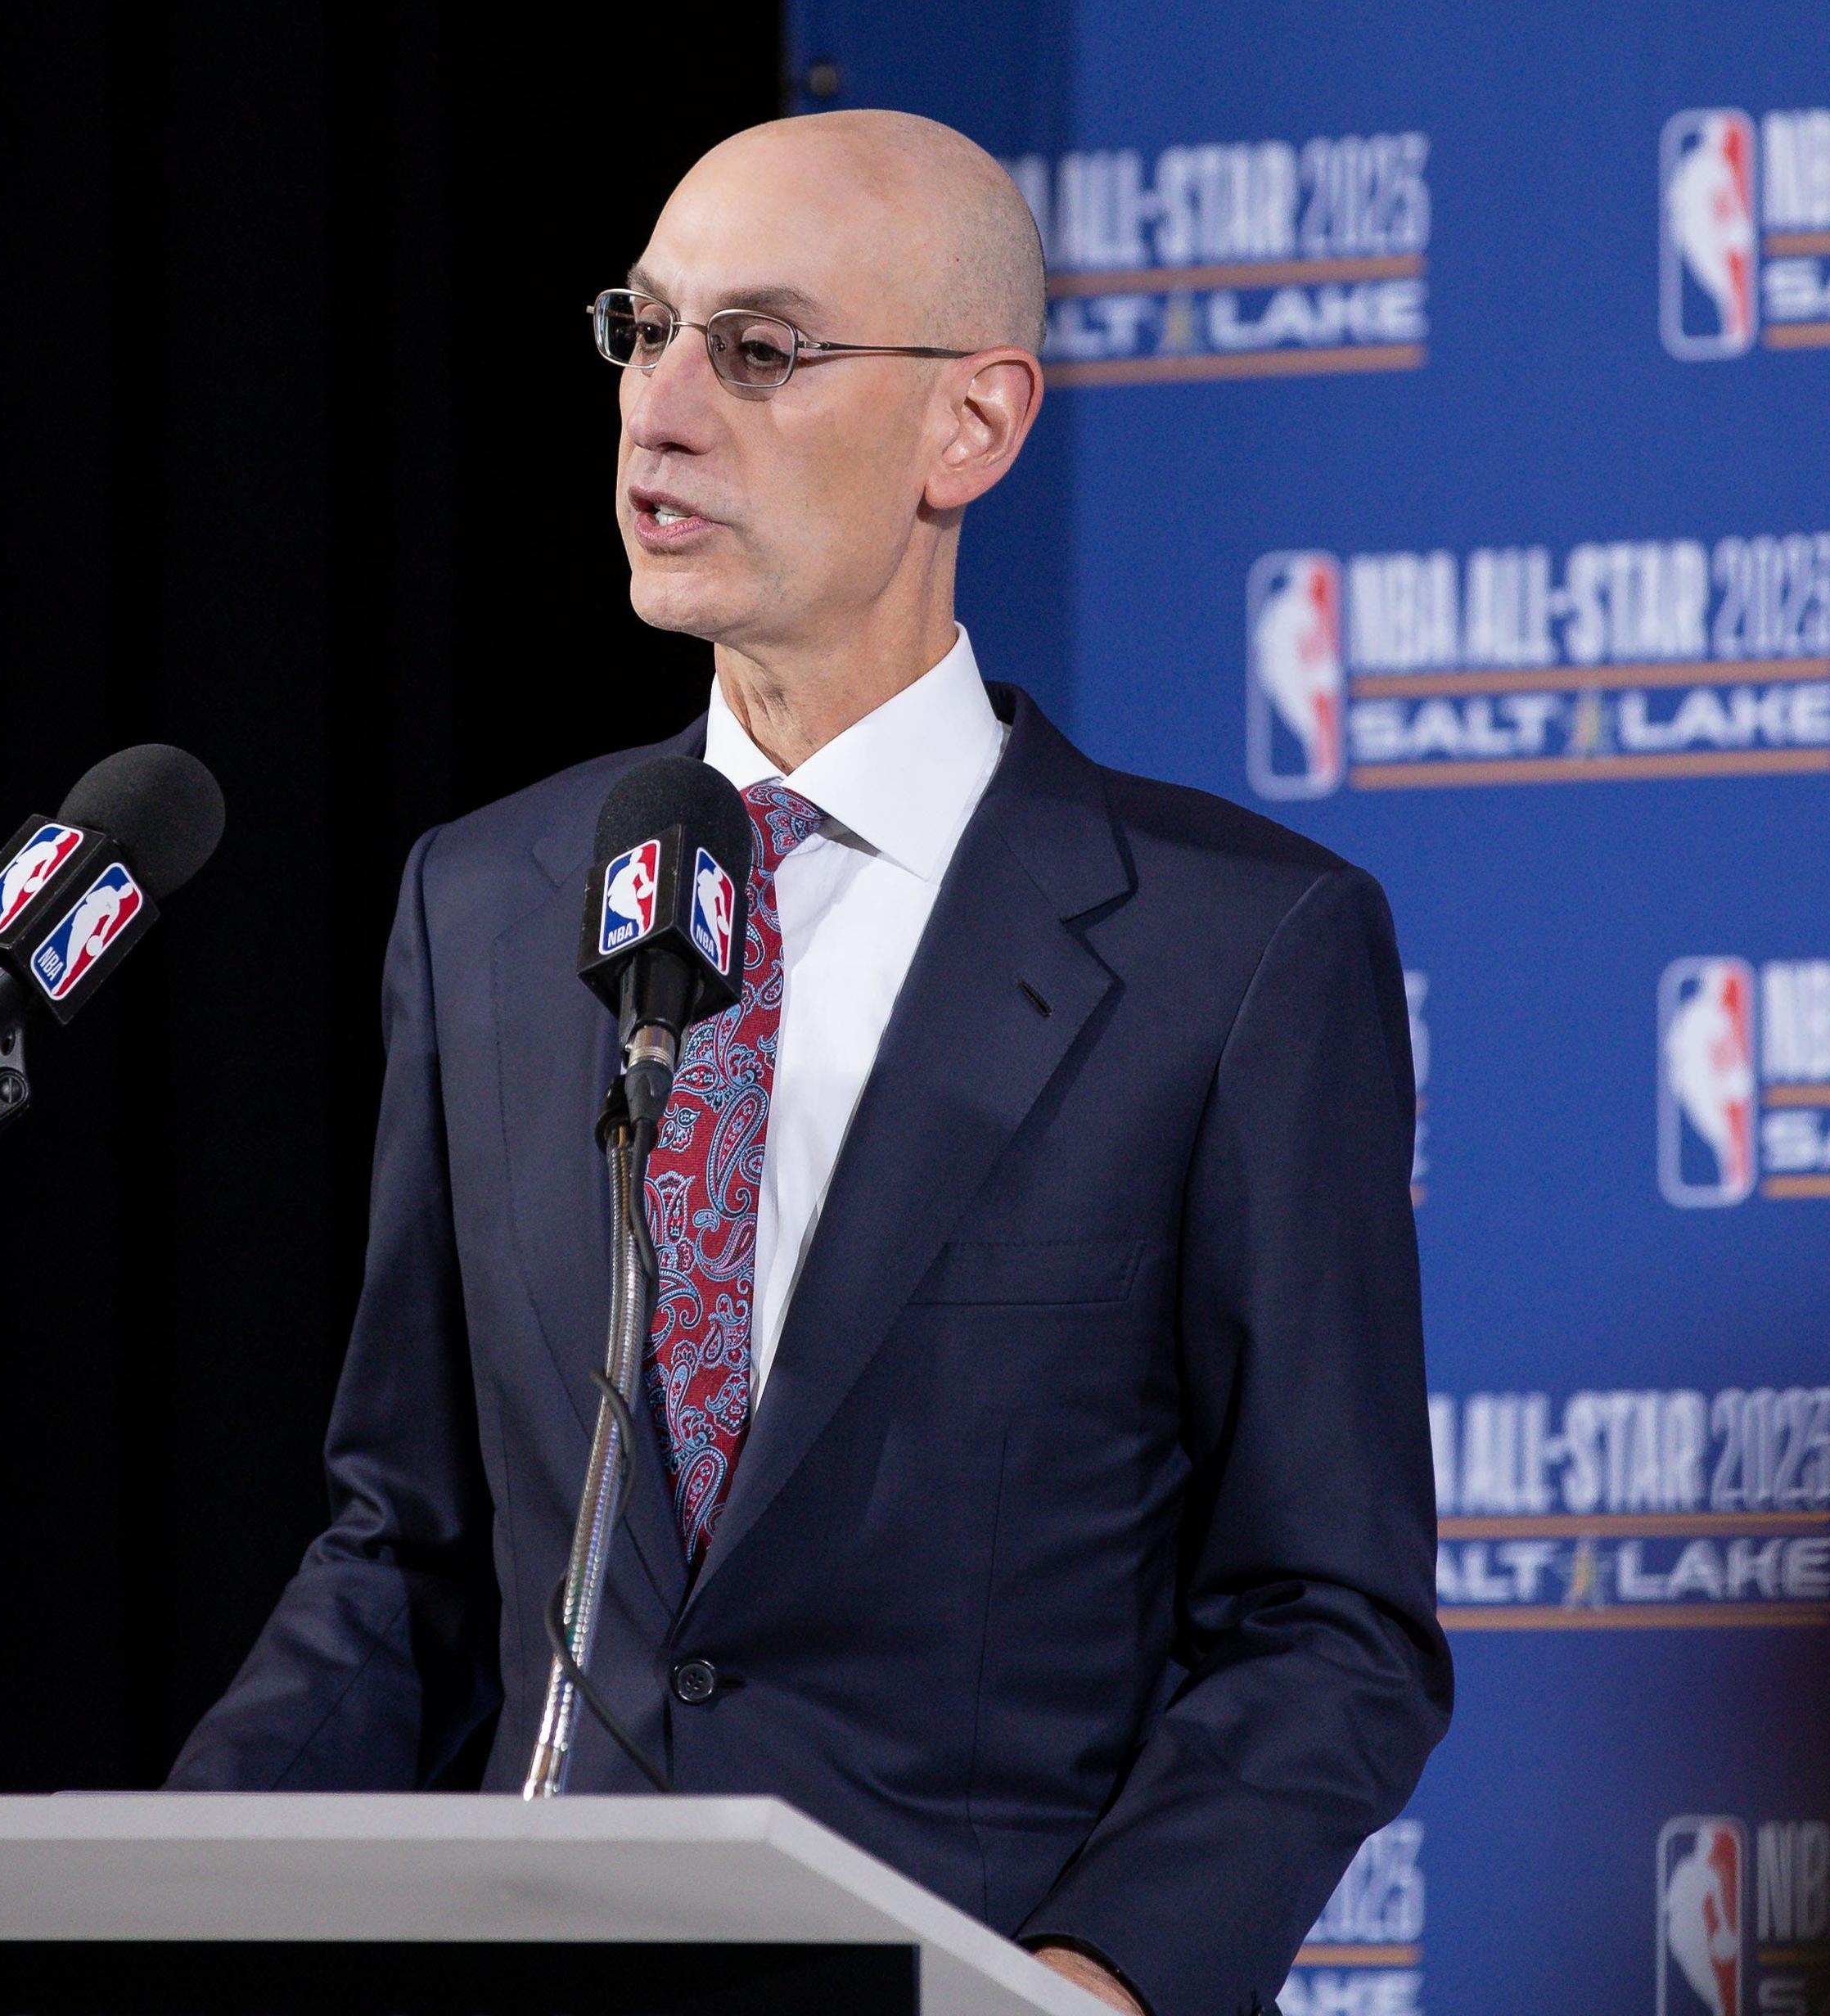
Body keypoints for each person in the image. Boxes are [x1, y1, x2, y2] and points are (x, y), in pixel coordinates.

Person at [167, 110, 1450, 2016]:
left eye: (758, 351)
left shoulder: (1234, 952)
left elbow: (1326, 1617)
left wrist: (1096, 1976)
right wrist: (165, 1883)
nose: (661, 412)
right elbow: (416, 1553)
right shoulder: (494, 901)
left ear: (975, 428)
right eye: (646, 329)